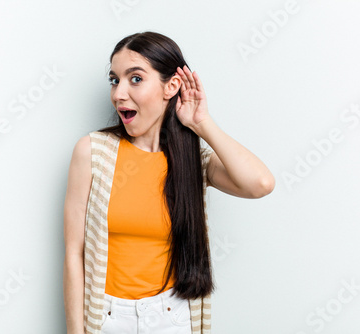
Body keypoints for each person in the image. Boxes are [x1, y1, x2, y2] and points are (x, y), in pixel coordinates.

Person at [63, 31, 275, 334]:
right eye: (114, 80)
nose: (118, 93)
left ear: (171, 86)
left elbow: (261, 184)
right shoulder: (93, 152)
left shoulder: (193, 161)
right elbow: (74, 253)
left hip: (173, 316)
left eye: (135, 79)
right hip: (108, 317)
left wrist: (202, 123)